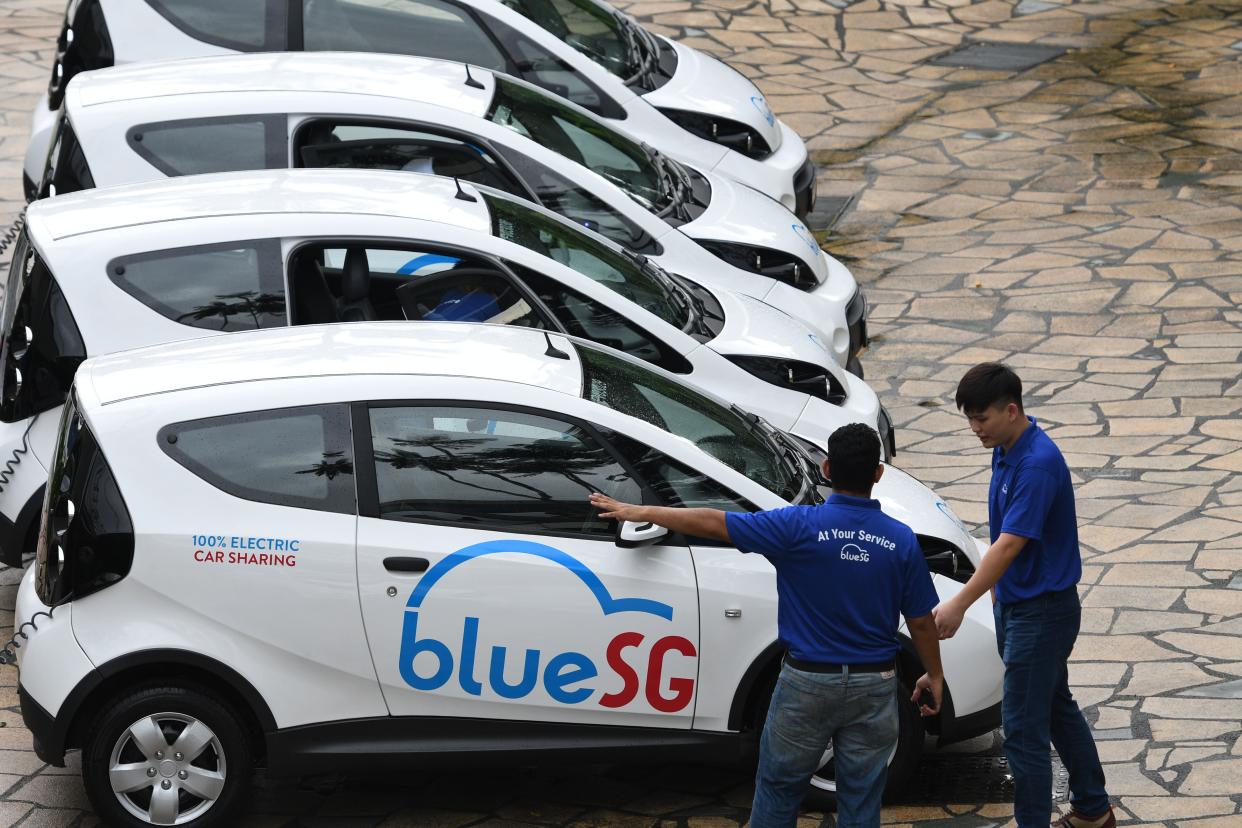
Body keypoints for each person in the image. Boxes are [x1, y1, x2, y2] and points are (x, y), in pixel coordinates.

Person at [589, 423, 944, 828]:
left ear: (826, 469)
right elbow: (919, 620)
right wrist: (933, 674)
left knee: (779, 792)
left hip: (806, 686)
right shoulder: (901, 540)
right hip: (875, 686)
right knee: (862, 800)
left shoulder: (796, 526)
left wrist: (640, 512)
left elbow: (712, 521)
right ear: (878, 474)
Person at [932, 363, 1113, 828]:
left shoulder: (1037, 463)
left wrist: (960, 601)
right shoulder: (1007, 448)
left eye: (981, 419)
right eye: (969, 419)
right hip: (1020, 607)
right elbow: (1004, 539)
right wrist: (1000, 596)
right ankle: (1093, 809)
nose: (975, 429)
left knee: (1022, 732)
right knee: (1055, 709)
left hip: (1043, 614)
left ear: (1011, 410)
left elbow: (1011, 542)